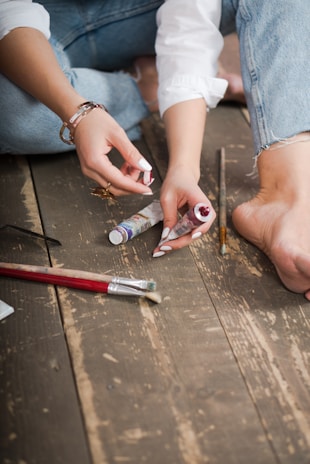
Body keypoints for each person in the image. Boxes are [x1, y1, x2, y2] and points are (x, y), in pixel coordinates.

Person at [1, 1, 309, 299]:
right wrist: (77, 112)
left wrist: (184, 170)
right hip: (38, 21)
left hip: (142, 12)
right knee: (11, 107)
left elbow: (189, 22)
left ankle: (286, 199)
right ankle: (150, 84)